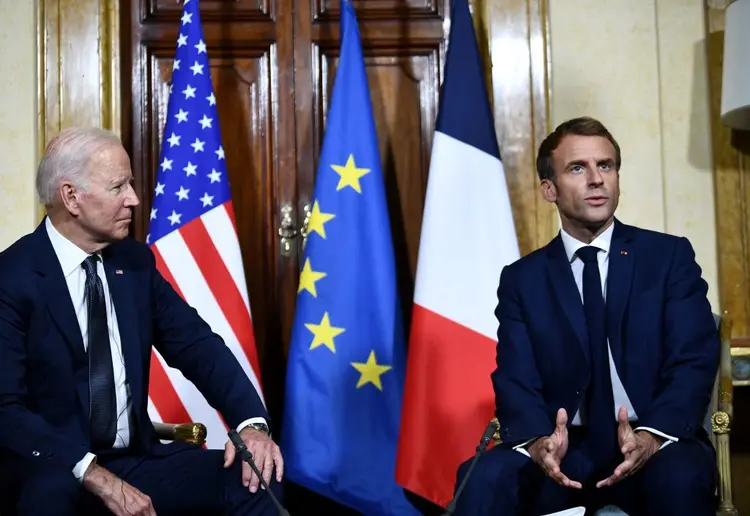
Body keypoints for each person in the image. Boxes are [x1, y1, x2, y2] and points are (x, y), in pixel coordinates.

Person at [0, 127, 284, 515]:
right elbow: (6, 409)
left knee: (257, 479)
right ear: (71, 197)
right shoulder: (12, 278)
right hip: (53, 469)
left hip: (136, 461)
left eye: (131, 184)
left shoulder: (134, 264)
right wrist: (92, 473)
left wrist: (251, 424)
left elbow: (198, 346)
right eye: (118, 187)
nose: (134, 199)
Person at [453, 117, 720, 515]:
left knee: (681, 479)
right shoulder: (522, 280)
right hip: (564, 451)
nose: (597, 179)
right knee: (483, 479)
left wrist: (651, 437)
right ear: (549, 189)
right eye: (578, 168)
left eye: (606, 165)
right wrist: (539, 444)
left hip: (654, 442)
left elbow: (693, 359)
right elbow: (515, 377)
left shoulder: (668, 258)